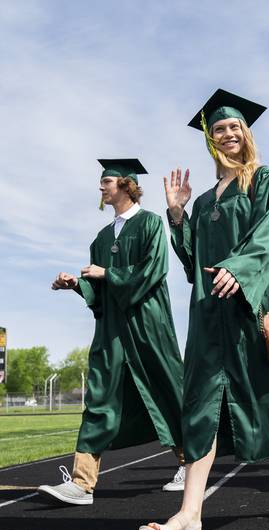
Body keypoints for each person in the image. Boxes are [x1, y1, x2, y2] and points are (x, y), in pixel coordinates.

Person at [139, 90, 269, 530]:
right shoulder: (202, 202)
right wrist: (176, 217)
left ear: (246, 133)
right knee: (201, 404)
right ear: (210, 140)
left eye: (234, 127)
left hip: (254, 305)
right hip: (210, 312)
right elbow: (193, 259)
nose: (227, 133)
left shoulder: (264, 180)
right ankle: (190, 514)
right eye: (218, 129)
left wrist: (240, 268)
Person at [39, 159, 185, 506]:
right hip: (112, 330)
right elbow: (98, 297)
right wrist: (77, 285)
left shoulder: (150, 223)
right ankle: (81, 483)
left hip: (148, 325)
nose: (101, 187)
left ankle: (188, 462)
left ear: (126, 186)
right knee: (100, 396)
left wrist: (108, 274)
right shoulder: (101, 238)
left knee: (167, 392)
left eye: (106, 181)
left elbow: (154, 271)